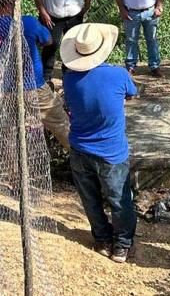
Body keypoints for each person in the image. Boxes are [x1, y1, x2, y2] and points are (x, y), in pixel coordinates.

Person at [61, 23, 138, 263]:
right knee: (120, 198)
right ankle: (122, 245)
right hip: (111, 152)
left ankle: (102, 240)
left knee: (90, 198)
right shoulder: (118, 74)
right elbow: (131, 93)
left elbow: (69, 106)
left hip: (79, 148)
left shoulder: (70, 79)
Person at [0, 0, 70, 149]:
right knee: (61, 124)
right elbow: (48, 40)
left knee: (8, 133)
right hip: (33, 86)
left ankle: (10, 172)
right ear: (12, 0)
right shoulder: (27, 22)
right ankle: (80, 160)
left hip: (3, 89)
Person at [32, 0, 94, 86]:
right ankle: (47, 77)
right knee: (51, 46)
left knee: (73, 45)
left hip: (74, 16)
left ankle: (69, 72)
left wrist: (87, 5)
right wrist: (43, 12)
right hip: (53, 18)